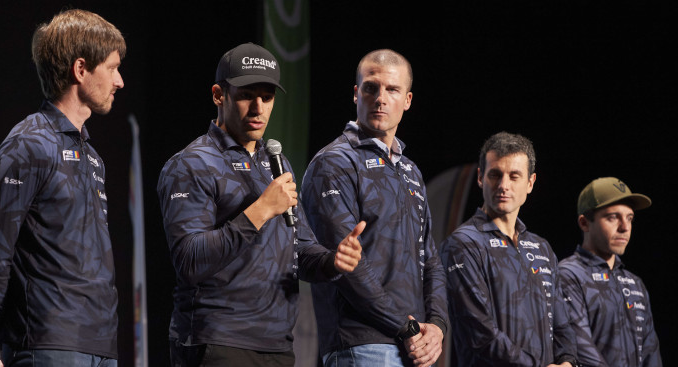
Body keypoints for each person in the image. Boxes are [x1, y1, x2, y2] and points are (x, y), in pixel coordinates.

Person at [156, 42, 365, 367]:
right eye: (245, 95)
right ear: (218, 95)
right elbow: (189, 261)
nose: (258, 108)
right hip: (217, 342)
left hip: (277, 345)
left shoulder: (276, 163)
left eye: (267, 97)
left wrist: (333, 261)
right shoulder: (191, 164)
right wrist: (261, 209)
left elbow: (301, 250)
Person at [0, 9, 126, 367]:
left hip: (101, 348)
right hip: (48, 346)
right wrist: (10, 336)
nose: (120, 82)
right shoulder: (28, 145)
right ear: (81, 69)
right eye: (113, 68)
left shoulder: (93, 157)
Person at [300, 49, 448, 367]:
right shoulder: (334, 162)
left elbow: (431, 260)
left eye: (392, 89)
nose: (380, 98)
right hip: (362, 345)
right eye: (371, 87)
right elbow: (347, 265)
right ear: (357, 94)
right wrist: (406, 327)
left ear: (407, 100)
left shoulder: (410, 170)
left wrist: (437, 325)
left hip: (416, 347)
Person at [439, 132, 578, 367]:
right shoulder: (462, 244)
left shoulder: (542, 248)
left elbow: (563, 326)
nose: (504, 186)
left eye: (514, 176)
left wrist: (567, 362)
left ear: (530, 182)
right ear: (481, 178)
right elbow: (480, 333)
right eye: (495, 175)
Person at [558, 177, 662, 366]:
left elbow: (651, 354)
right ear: (584, 223)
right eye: (613, 217)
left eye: (629, 218)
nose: (625, 227)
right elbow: (581, 350)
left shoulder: (635, 283)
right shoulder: (568, 275)